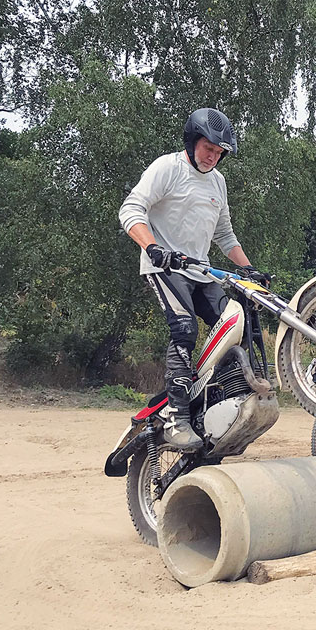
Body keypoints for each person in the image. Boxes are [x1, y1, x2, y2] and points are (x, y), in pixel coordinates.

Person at [119, 107, 268, 449]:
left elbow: (225, 235)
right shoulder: (167, 168)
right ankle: (176, 417)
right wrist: (153, 247)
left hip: (200, 271)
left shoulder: (218, 182)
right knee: (185, 329)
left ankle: (218, 402)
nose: (212, 157)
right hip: (165, 268)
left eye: (218, 152)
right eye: (208, 149)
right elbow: (131, 209)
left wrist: (249, 270)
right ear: (192, 141)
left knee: (237, 325)